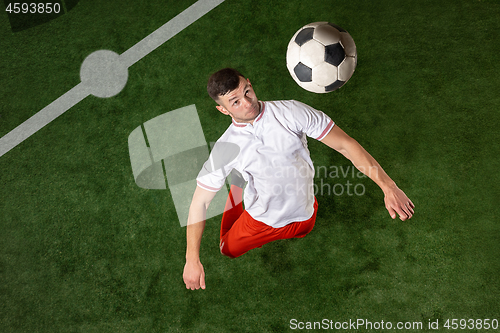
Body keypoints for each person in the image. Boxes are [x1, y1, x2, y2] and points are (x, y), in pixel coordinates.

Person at [183, 68, 414, 290]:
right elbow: (200, 203)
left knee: (304, 230)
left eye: (247, 91)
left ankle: (241, 180)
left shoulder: (292, 112)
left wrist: (388, 186)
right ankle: (237, 185)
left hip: (305, 212)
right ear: (223, 110)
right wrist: (192, 259)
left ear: (250, 84)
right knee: (227, 248)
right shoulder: (226, 148)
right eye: (235, 102)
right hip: (261, 220)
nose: (248, 102)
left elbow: (345, 145)